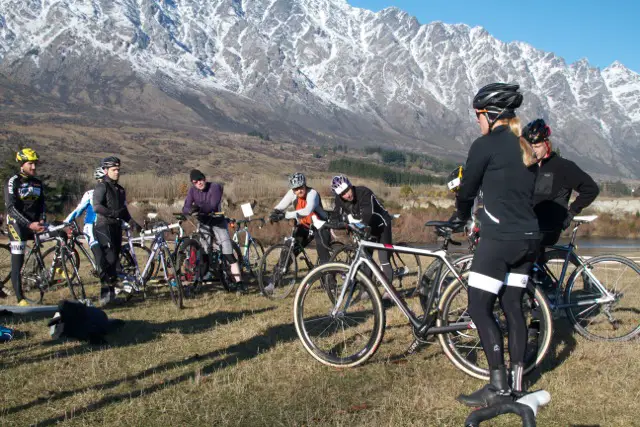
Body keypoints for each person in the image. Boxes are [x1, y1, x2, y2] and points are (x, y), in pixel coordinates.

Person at [451, 83, 540, 407]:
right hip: (528, 239)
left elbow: (467, 189)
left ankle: (498, 386)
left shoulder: (485, 144)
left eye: (478, 115)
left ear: (491, 114)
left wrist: (459, 215)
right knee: (513, 307)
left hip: (500, 238)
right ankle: (516, 386)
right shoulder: (525, 146)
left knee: (478, 306)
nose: (477, 121)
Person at [522, 119, 599, 246]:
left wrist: (571, 213)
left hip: (548, 228)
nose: (534, 151)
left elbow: (591, 189)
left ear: (547, 144)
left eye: (537, 146)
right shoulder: (528, 167)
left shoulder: (562, 167)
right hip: (529, 225)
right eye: (531, 147)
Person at [182, 169, 245, 293]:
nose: (198, 183)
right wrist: (188, 210)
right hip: (204, 222)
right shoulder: (192, 191)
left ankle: (239, 283)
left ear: (204, 178)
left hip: (218, 222)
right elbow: (185, 206)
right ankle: (199, 280)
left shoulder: (214, 187)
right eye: (195, 182)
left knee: (228, 252)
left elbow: (212, 204)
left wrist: (197, 209)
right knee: (204, 253)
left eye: (200, 179)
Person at [268, 173, 331, 293]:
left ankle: (330, 285)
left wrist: (286, 214)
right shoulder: (292, 194)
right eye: (296, 189)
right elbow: (281, 206)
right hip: (304, 226)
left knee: (323, 256)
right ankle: (273, 283)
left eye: (301, 187)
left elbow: (307, 211)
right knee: (288, 250)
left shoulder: (312, 194)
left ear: (305, 185)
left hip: (320, 226)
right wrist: (274, 213)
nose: (299, 191)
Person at [93, 156, 140, 306]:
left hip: (116, 226)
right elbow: (97, 206)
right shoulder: (102, 186)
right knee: (109, 259)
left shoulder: (120, 190)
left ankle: (111, 296)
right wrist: (112, 213)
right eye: (114, 170)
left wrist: (133, 222)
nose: (117, 172)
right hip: (103, 226)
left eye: (118, 169)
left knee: (114, 263)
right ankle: (105, 296)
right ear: (106, 171)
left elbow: (123, 210)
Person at [330, 175, 394, 283]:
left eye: (347, 190)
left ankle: (389, 294)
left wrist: (354, 221)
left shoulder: (364, 192)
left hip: (381, 224)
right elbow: (336, 215)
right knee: (365, 258)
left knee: (383, 258)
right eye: (343, 194)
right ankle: (367, 290)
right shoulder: (339, 199)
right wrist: (329, 223)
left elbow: (367, 214)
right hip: (364, 228)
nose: (347, 195)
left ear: (350, 185)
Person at [3, 148, 46, 305]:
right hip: (17, 225)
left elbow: (42, 204)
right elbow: (11, 208)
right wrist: (29, 224)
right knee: (18, 261)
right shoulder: (13, 181)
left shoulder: (38, 183)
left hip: (34, 224)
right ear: (22, 164)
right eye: (30, 164)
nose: (34, 167)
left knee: (59, 234)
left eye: (35, 164)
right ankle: (20, 298)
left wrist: (42, 220)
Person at [64, 167, 106, 275]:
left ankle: (103, 270)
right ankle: (100, 270)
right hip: (91, 225)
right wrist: (66, 221)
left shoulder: (111, 194)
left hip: (105, 226)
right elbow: (78, 210)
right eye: (101, 180)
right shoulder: (90, 194)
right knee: (96, 247)